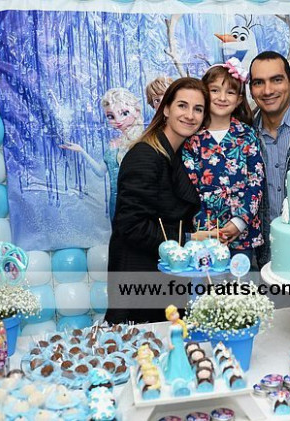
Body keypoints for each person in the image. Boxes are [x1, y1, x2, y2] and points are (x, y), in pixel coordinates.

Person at [105, 77, 208, 325]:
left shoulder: (174, 153)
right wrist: (188, 239)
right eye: (182, 105)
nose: (190, 115)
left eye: (198, 109)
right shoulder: (144, 155)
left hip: (164, 279)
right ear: (166, 109)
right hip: (141, 281)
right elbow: (131, 225)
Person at [182, 58, 264, 261]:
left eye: (230, 92)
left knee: (240, 280)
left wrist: (239, 222)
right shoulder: (192, 139)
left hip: (242, 234)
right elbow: (189, 189)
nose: (222, 97)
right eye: (215, 90)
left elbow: (256, 181)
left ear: (239, 99)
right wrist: (208, 229)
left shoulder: (247, 135)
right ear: (204, 94)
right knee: (206, 279)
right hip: (204, 233)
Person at [249, 51, 290, 268]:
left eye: (276, 80)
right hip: (260, 262)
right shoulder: (242, 137)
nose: (267, 90)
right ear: (251, 90)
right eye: (259, 82)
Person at [60, 88, 143, 220]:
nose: (118, 120)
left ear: (136, 111)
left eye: (124, 113)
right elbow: (100, 172)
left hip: (136, 203)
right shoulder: (114, 143)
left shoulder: (143, 141)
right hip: (115, 203)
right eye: (111, 116)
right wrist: (81, 151)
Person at [163, 305, 194, 384]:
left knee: (182, 356)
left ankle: (184, 374)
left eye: (176, 312)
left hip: (180, 343)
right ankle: (174, 375)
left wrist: (193, 325)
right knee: (175, 357)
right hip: (174, 343)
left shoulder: (180, 324)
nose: (176, 315)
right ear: (169, 317)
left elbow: (186, 327)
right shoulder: (171, 327)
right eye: (172, 314)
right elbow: (168, 336)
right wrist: (170, 344)